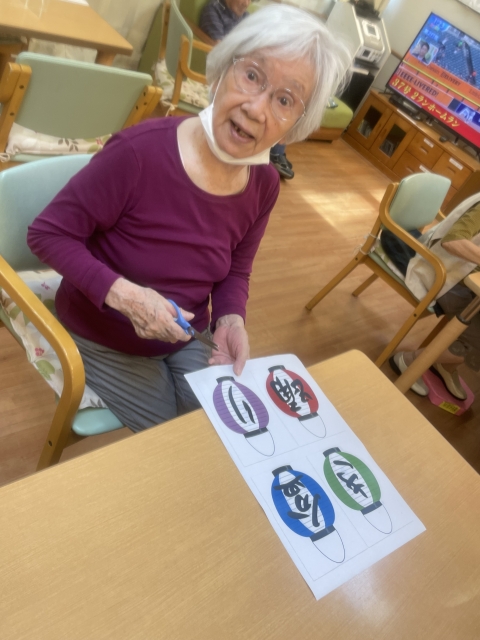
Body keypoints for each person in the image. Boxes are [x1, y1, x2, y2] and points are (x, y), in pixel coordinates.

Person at [27, 5, 350, 433]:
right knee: (178, 440)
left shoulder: (264, 184)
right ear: (222, 70)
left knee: (227, 431)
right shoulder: (139, 153)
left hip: (186, 334)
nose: (257, 108)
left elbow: (236, 269)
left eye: (285, 100)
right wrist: (127, 298)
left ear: (295, 127)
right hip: (105, 330)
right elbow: (47, 234)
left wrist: (230, 318)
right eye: (252, 75)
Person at [387, 193, 480, 400]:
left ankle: (445, 364)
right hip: (443, 273)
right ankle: (409, 361)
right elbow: (454, 241)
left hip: (463, 278)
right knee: (478, 341)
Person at [200, 0, 295, 179]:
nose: (246, 3)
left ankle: (276, 154)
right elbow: (220, 50)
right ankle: (276, 154)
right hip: (220, 68)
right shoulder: (213, 10)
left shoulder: (247, 18)